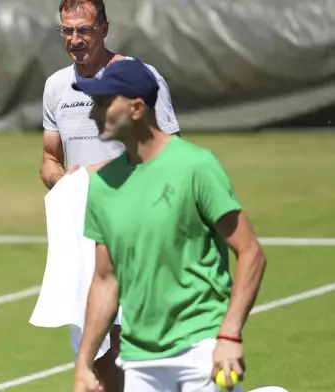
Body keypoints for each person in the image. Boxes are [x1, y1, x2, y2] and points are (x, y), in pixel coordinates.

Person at [71, 59, 267, 392]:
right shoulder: (103, 185)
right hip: (139, 358)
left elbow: (251, 253)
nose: (94, 114)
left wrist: (230, 334)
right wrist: (84, 364)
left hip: (201, 343)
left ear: (136, 108)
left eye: (104, 104)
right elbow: (106, 279)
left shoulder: (196, 166)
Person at [38, 0, 179, 389]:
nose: (75, 39)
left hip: (136, 227)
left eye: (84, 30)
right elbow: (50, 160)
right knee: (94, 346)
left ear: (104, 28)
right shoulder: (55, 86)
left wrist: (101, 179)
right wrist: (66, 182)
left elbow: (168, 153)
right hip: (83, 232)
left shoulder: (139, 77)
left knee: (124, 343)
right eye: (67, 31)